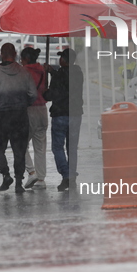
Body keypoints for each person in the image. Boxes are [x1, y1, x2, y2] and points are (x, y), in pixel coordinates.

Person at [0, 43, 37, 193]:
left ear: (1, 54)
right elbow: (33, 94)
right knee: (19, 150)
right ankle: (19, 182)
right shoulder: (24, 73)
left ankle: (6, 175)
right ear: (16, 54)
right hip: (20, 116)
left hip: (0, 117)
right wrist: (24, 103)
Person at [43, 48, 84, 191]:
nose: (59, 60)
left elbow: (50, 95)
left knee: (57, 147)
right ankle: (71, 175)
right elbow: (66, 77)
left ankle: (66, 175)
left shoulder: (59, 75)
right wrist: (52, 71)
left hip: (60, 115)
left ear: (64, 60)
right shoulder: (78, 73)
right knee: (72, 148)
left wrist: (45, 91)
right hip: (75, 115)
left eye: (61, 58)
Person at [20, 47, 48, 190]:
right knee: (40, 146)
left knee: (20, 143)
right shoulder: (42, 70)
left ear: (25, 59)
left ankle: (31, 172)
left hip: (29, 110)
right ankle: (41, 179)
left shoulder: (23, 72)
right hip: (42, 110)